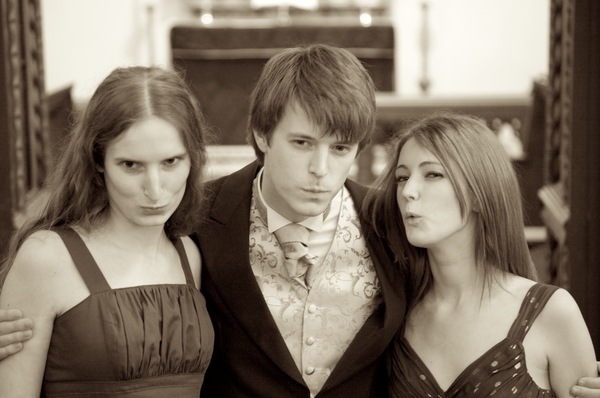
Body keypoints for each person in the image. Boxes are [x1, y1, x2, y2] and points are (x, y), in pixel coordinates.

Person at [2, 46, 600, 398]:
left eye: (341, 149)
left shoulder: (394, 221)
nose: (322, 170)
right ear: (261, 135)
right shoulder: (195, 223)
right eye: (302, 143)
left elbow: (472, 300)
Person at [0, 66, 214, 397]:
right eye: (131, 165)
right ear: (97, 160)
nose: (155, 190)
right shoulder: (46, 258)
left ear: (193, 159)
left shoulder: (189, 254)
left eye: (171, 162)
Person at [364, 112, 598, 397]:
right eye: (402, 178)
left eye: (433, 174)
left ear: (479, 193)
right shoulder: (394, 316)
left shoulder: (551, 312)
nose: (408, 191)